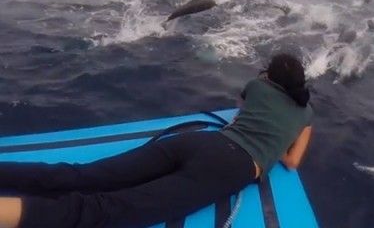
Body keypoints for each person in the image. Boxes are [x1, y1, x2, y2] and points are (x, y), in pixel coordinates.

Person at [0, 53, 313, 228]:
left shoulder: (257, 86)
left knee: (84, 175)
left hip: (197, 142)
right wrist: (277, 140)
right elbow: (291, 161)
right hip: (230, 168)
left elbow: (240, 115)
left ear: (268, 75)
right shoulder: (307, 115)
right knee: (106, 211)